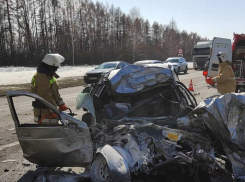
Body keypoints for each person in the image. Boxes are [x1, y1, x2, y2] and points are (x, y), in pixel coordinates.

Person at [31, 53, 68, 123]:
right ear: (51, 66)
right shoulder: (41, 77)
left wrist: (61, 103)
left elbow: (55, 92)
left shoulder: (49, 75)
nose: (56, 70)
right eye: (55, 68)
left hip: (50, 111)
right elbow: (45, 95)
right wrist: (54, 110)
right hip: (44, 114)